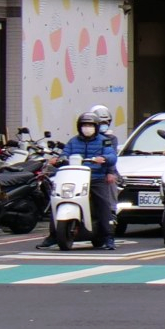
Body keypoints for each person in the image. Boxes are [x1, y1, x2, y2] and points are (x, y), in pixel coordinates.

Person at [49, 104, 119, 250]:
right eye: (84, 125)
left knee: (103, 205)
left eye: (90, 125)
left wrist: (104, 159)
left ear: (96, 127)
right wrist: (59, 159)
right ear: (79, 127)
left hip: (95, 177)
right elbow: (65, 153)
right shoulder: (73, 141)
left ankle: (108, 237)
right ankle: (53, 235)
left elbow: (112, 156)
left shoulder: (104, 140)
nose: (87, 128)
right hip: (74, 178)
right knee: (56, 199)